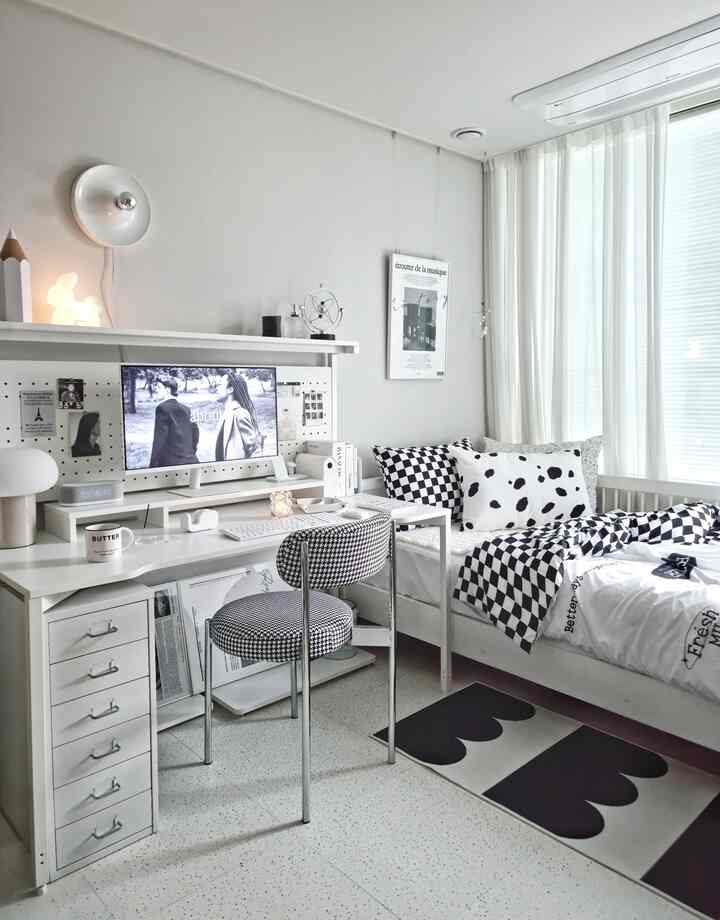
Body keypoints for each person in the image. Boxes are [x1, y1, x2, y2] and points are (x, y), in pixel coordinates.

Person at [149, 377, 199, 468]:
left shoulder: (162, 408)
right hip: (192, 462)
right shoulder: (187, 409)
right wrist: (190, 453)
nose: (156, 390)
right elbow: (196, 434)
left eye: (159, 388)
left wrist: (152, 466)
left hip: (172, 466)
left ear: (168, 389)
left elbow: (159, 441)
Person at [215, 372, 264, 460]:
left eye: (219, 385)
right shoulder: (226, 413)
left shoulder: (240, 413)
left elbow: (255, 451)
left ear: (230, 389)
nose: (216, 387)